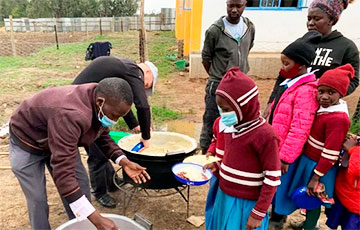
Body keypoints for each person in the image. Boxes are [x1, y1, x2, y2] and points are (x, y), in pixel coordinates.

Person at [9, 78, 150, 230]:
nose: (115, 121)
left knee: (81, 185)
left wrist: (123, 161)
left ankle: (79, 226)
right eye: (114, 115)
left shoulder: (98, 97)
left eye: (119, 117)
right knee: (37, 199)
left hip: (61, 139)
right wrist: (97, 220)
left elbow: (101, 135)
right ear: (100, 102)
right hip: (28, 141)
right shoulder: (72, 114)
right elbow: (63, 174)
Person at [73, 56, 158, 208]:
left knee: (104, 147)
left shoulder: (124, 69)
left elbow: (121, 102)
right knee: (97, 154)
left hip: (95, 104)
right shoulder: (135, 71)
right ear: (147, 72)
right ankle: (99, 192)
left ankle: (111, 181)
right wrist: (146, 136)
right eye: (147, 85)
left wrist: (134, 125)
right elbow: (142, 106)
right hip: (81, 107)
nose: (144, 88)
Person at [204, 67, 281, 230]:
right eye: (220, 109)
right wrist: (217, 166)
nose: (222, 114)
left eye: (226, 109)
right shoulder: (233, 127)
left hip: (247, 204)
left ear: (244, 107)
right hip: (225, 196)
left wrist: (258, 213)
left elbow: (272, 177)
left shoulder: (266, 135)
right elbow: (234, 160)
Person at [263, 0, 359, 119]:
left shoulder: (346, 47)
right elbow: (284, 74)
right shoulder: (301, 43)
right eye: (309, 19)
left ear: (331, 20)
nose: (311, 23)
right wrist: (272, 102)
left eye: (317, 19)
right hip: (294, 107)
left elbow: (353, 80)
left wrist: (330, 95)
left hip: (323, 110)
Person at [288, 64, 354, 230]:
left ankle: (309, 227)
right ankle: (309, 223)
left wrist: (316, 177)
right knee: (310, 197)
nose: (324, 96)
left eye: (331, 93)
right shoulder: (327, 109)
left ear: (341, 93)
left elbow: (330, 153)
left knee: (315, 198)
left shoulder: (338, 119)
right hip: (312, 162)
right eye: (321, 91)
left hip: (320, 166)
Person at [267, 38, 319, 229]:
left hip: (286, 152)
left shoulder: (306, 91)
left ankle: (277, 219)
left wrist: (285, 158)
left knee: (281, 187)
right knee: (274, 184)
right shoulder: (290, 83)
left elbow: (300, 127)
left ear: (302, 65)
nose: (283, 67)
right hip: (277, 146)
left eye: (287, 63)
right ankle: (273, 214)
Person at [200, 0, 255, 154]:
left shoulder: (249, 27)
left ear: (245, 4)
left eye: (239, 6)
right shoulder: (215, 31)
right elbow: (206, 58)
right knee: (212, 121)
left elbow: (247, 48)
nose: (234, 10)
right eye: (231, 6)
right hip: (218, 84)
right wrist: (218, 76)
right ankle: (206, 153)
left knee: (239, 121)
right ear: (226, 4)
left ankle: (232, 153)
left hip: (241, 86)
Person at [326, 136, 360, 230]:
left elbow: (356, 170)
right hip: (344, 196)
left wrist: (353, 149)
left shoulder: (355, 149)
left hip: (355, 205)